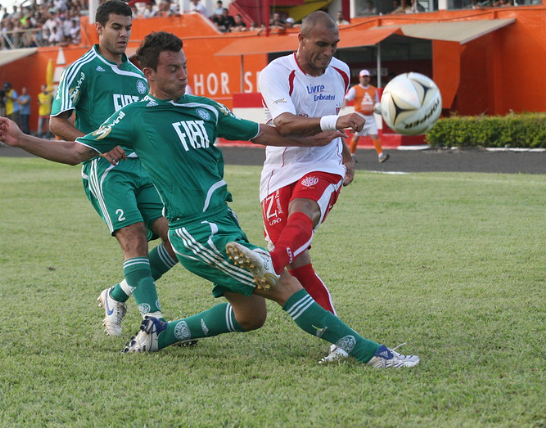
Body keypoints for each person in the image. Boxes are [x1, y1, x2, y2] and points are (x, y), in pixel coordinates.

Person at [0, 31, 419, 370]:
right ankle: (372, 354)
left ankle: (162, 335)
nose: (182, 75)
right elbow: (76, 152)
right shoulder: (134, 118)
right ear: (148, 72)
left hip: (225, 221)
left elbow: (266, 133)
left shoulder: (204, 108)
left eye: (184, 67)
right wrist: (20, 139)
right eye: (172, 69)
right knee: (282, 281)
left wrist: (322, 135)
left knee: (252, 316)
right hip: (194, 231)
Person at [50, 0, 177, 337]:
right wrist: (99, 143)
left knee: (178, 238)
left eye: (128, 28)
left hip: (144, 169)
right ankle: (153, 324)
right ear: (100, 28)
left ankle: (116, 295)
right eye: (117, 27)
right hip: (106, 170)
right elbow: (57, 123)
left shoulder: (138, 76)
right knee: (134, 238)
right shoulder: (83, 68)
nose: (124, 34)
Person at [257, 11, 379, 363]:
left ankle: (270, 262)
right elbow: (285, 123)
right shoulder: (276, 73)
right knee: (300, 266)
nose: (329, 52)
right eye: (322, 44)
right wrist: (335, 122)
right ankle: (340, 338)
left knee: (304, 211)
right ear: (302, 39)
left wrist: (345, 156)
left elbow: (333, 122)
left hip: (324, 163)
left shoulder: (340, 72)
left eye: (334, 45)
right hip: (280, 168)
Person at [342, 69, 389, 163]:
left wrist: (379, 109)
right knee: (356, 136)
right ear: (360, 78)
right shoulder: (355, 89)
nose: (365, 79)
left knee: (375, 136)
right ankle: (351, 155)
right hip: (359, 116)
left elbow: (377, 103)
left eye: (367, 77)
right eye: (363, 77)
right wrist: (345, 104)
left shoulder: (373, 89)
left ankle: (381, 155)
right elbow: (347, 97)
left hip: (371, 117)